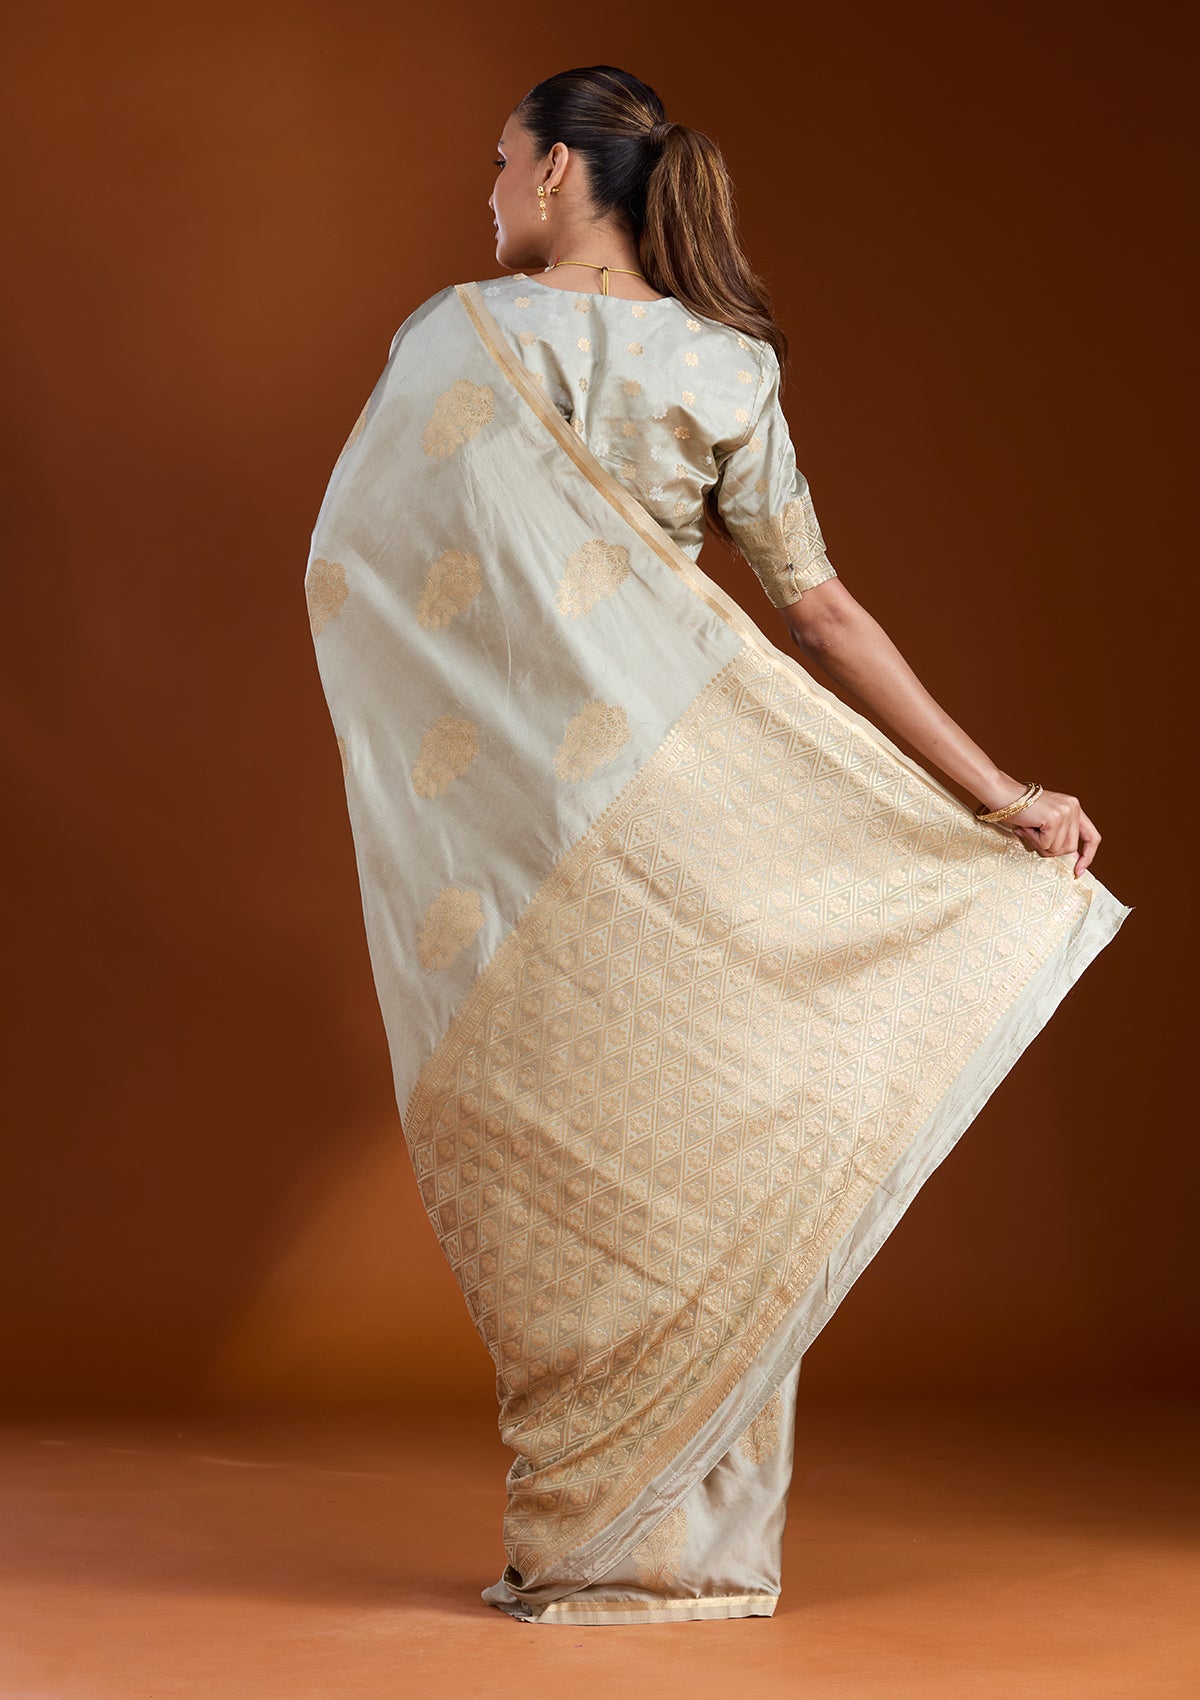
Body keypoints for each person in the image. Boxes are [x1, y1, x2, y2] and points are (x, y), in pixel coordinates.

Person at [304, 64, 1132, 1626]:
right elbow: (820, 612)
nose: (490, 191)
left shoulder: (451, 340)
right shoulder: (723, 363)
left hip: (531, 849)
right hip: (698, 812)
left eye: (501, 162)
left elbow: (357, 561)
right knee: (708, 1166)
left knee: (569, 1167)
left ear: (560, 172)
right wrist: (1000, 793)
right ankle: (687, 1554)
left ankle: (585, 1538)